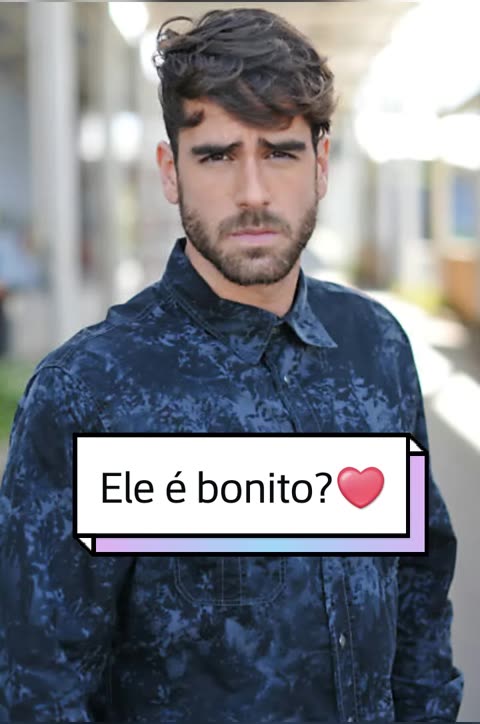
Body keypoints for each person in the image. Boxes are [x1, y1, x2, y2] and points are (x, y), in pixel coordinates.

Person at [0, 7, 463, 723]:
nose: (252, 192)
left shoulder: (374, 348)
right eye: (217, 155)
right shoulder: (88, 395)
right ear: (171, 172)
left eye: (279, 152)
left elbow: (418, 594)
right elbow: (39, 686)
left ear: (321, 165)